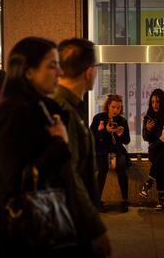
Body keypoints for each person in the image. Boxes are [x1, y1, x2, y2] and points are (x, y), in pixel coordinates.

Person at [0, 37, 71, 257]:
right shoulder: (14, 112)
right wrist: (60, 144)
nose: (59, 73)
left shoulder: (40, 106)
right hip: (19, 232)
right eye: (52, 66)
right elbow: (15, 180)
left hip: (38, 223)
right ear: (28, 71)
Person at [52, 37, 112, 257]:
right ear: (88, 72)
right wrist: (95, 228)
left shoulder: (67, 106)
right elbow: (71, 175)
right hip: (69, 227)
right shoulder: (63, 111)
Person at [90, 94, 131, 212]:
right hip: (102, 150)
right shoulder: (99, 118)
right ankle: (97, 201)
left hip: (116, 151)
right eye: (113, 107)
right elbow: (91, 136)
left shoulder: (122, 120)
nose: (116, 110)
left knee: (122, 167)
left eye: (118, 108)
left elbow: (127, 140)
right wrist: (106, 131)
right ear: (108, 106)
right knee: (102, 169)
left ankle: (124, 200)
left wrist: (121, 135)